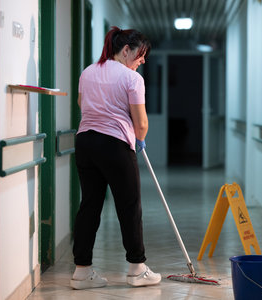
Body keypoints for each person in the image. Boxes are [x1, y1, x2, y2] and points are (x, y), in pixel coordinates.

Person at [70, 26, 161, 290]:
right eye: (141, 55)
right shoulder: (132, 79)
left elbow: (81, 103)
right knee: (129, 206)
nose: (142, 61)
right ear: (126, 50)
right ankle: (137, 268)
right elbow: (141, 123)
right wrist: (139, 137)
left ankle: (82, 271)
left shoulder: (87, 72)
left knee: (90, 205)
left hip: (85, 142)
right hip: (115, 144)